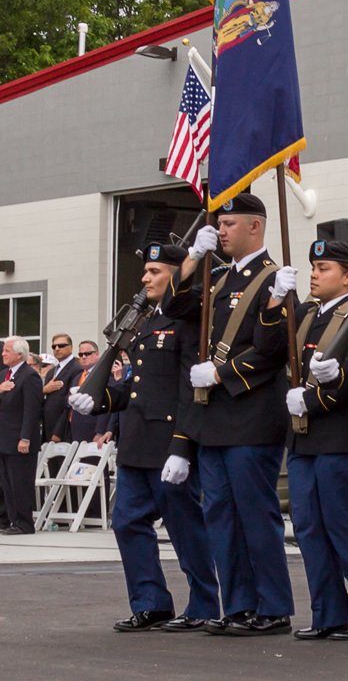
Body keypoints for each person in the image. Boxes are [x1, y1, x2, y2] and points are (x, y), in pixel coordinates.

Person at [68, 242, 220, 632]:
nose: (145, 278)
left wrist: (183, 446)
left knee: (187, 528)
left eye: (155, 272)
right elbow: (136, 387)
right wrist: (97, 400)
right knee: (127, 524)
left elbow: (189, 388)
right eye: (146, 271)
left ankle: (204, 603)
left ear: (178, 274)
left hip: (169, 444)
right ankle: (151, 602)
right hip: (137, 444)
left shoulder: (189, 319)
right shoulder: (147, 322)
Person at [166, 192, 295, 635]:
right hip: (216, 421)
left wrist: (220, 374)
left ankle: (273, 606)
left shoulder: (276, 279)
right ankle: (239, 605)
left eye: (229, 224)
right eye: (218, 226)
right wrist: (191, 258)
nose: (220, 231)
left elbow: (271, 351)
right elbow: (174, 306)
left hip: (252, 415)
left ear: (255, 226)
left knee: (255, 516)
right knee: (220, 515)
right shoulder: (219, 279)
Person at [285, 238, 348, 641]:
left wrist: (317, 394)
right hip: (303, 438)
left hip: (340, 435)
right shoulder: (307, 315)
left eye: (324, 268)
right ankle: (328, 612)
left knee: (343, 526)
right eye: (313, 266)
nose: (314, 273)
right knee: (308, 527)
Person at [0, 336, 43, 534]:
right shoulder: (3, 376)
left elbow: (31, 410)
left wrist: (25, 437)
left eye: (7, 350)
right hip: (3, 438)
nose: (3, 353)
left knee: (20, 482)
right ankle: (11, 520)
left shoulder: (29, 376)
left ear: (19, 354)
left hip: (19, 439)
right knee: (7, 483)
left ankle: (24, 523)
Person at [42, 332, 83, 443]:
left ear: (71, 347)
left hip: (64, 430)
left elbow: (70, 404)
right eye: (54, 346)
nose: (57, 348)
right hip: (49, 425)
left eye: (61, 346)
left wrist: (58, 432)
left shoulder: (77, 368)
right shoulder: (51, 371)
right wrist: (44, 390)